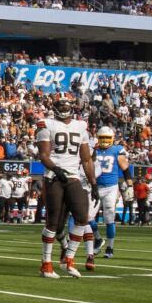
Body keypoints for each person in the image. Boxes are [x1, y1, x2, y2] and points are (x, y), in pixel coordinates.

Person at [36, 91, 97, 278]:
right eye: (60, 104)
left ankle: (68, 259)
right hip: (54, 176)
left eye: (66, 103)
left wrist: (93, 183)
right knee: (54, 223)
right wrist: (56, 169)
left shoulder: (80, 126)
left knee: (82, 217)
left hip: (73, 176)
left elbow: (86, 159)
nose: (64, 107)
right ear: (55, 106)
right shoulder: (46, 124)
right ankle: (46, 264)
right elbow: (43, 155)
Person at [92, 125, 131, 257]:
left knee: (109, 218)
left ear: (112, 138)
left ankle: (110, 248)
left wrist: (129, 185)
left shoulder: (117, 150)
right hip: (95, 187)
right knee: (87, 217)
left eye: (107, 138)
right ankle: (98, 239)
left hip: (111, 187)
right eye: (102, 138)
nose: (104, 140)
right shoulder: (93, 151)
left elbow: (125, 168)